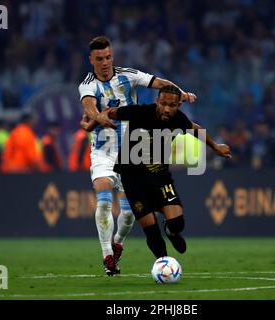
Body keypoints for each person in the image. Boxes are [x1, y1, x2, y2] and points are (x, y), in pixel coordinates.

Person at [78, 36, 196, 276]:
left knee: (130, 212)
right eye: (99, 59)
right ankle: (107, 256)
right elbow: (89, 106)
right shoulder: (87, 85)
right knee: (103, 197)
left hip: (133, 154)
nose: (105, 62)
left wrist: (181, 93)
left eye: (108, 57)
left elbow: (159, 82)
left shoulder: (128, 74)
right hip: (103, 151)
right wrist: (97, 117)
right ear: (91, 60)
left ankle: (118, 243)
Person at [82, 85, 231, 259]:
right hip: (133, 180)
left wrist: (215, 146)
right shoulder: (140, 113)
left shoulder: (178, 120)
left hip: (161, 178)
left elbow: (194, 128)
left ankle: (171, 231)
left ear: (178, 106)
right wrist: (91, 124)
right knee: (151, 231)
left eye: (172, 105)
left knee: (177, 223)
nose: (167, 109)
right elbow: (109, 111)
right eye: (163, 103)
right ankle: (164, 263)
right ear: (157, 101)